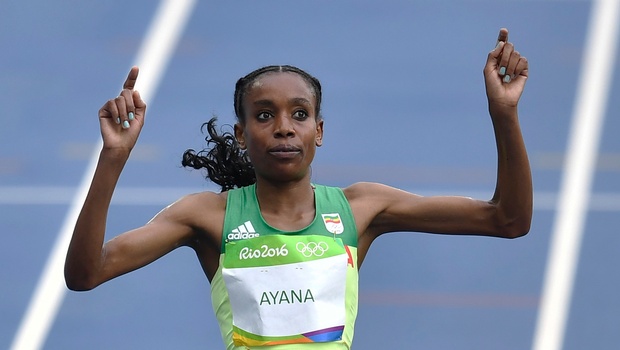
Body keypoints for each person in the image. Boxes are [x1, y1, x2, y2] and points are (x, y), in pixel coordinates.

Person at [65, 28, 532, 349]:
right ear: (243, 135)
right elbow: (86, 274)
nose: (284, 128)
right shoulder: (207, 217)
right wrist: (113, 157)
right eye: (264, 115)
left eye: (300, 114)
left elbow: (507, 220)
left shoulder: (360, 209)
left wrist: (504, 113)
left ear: (319, 131)